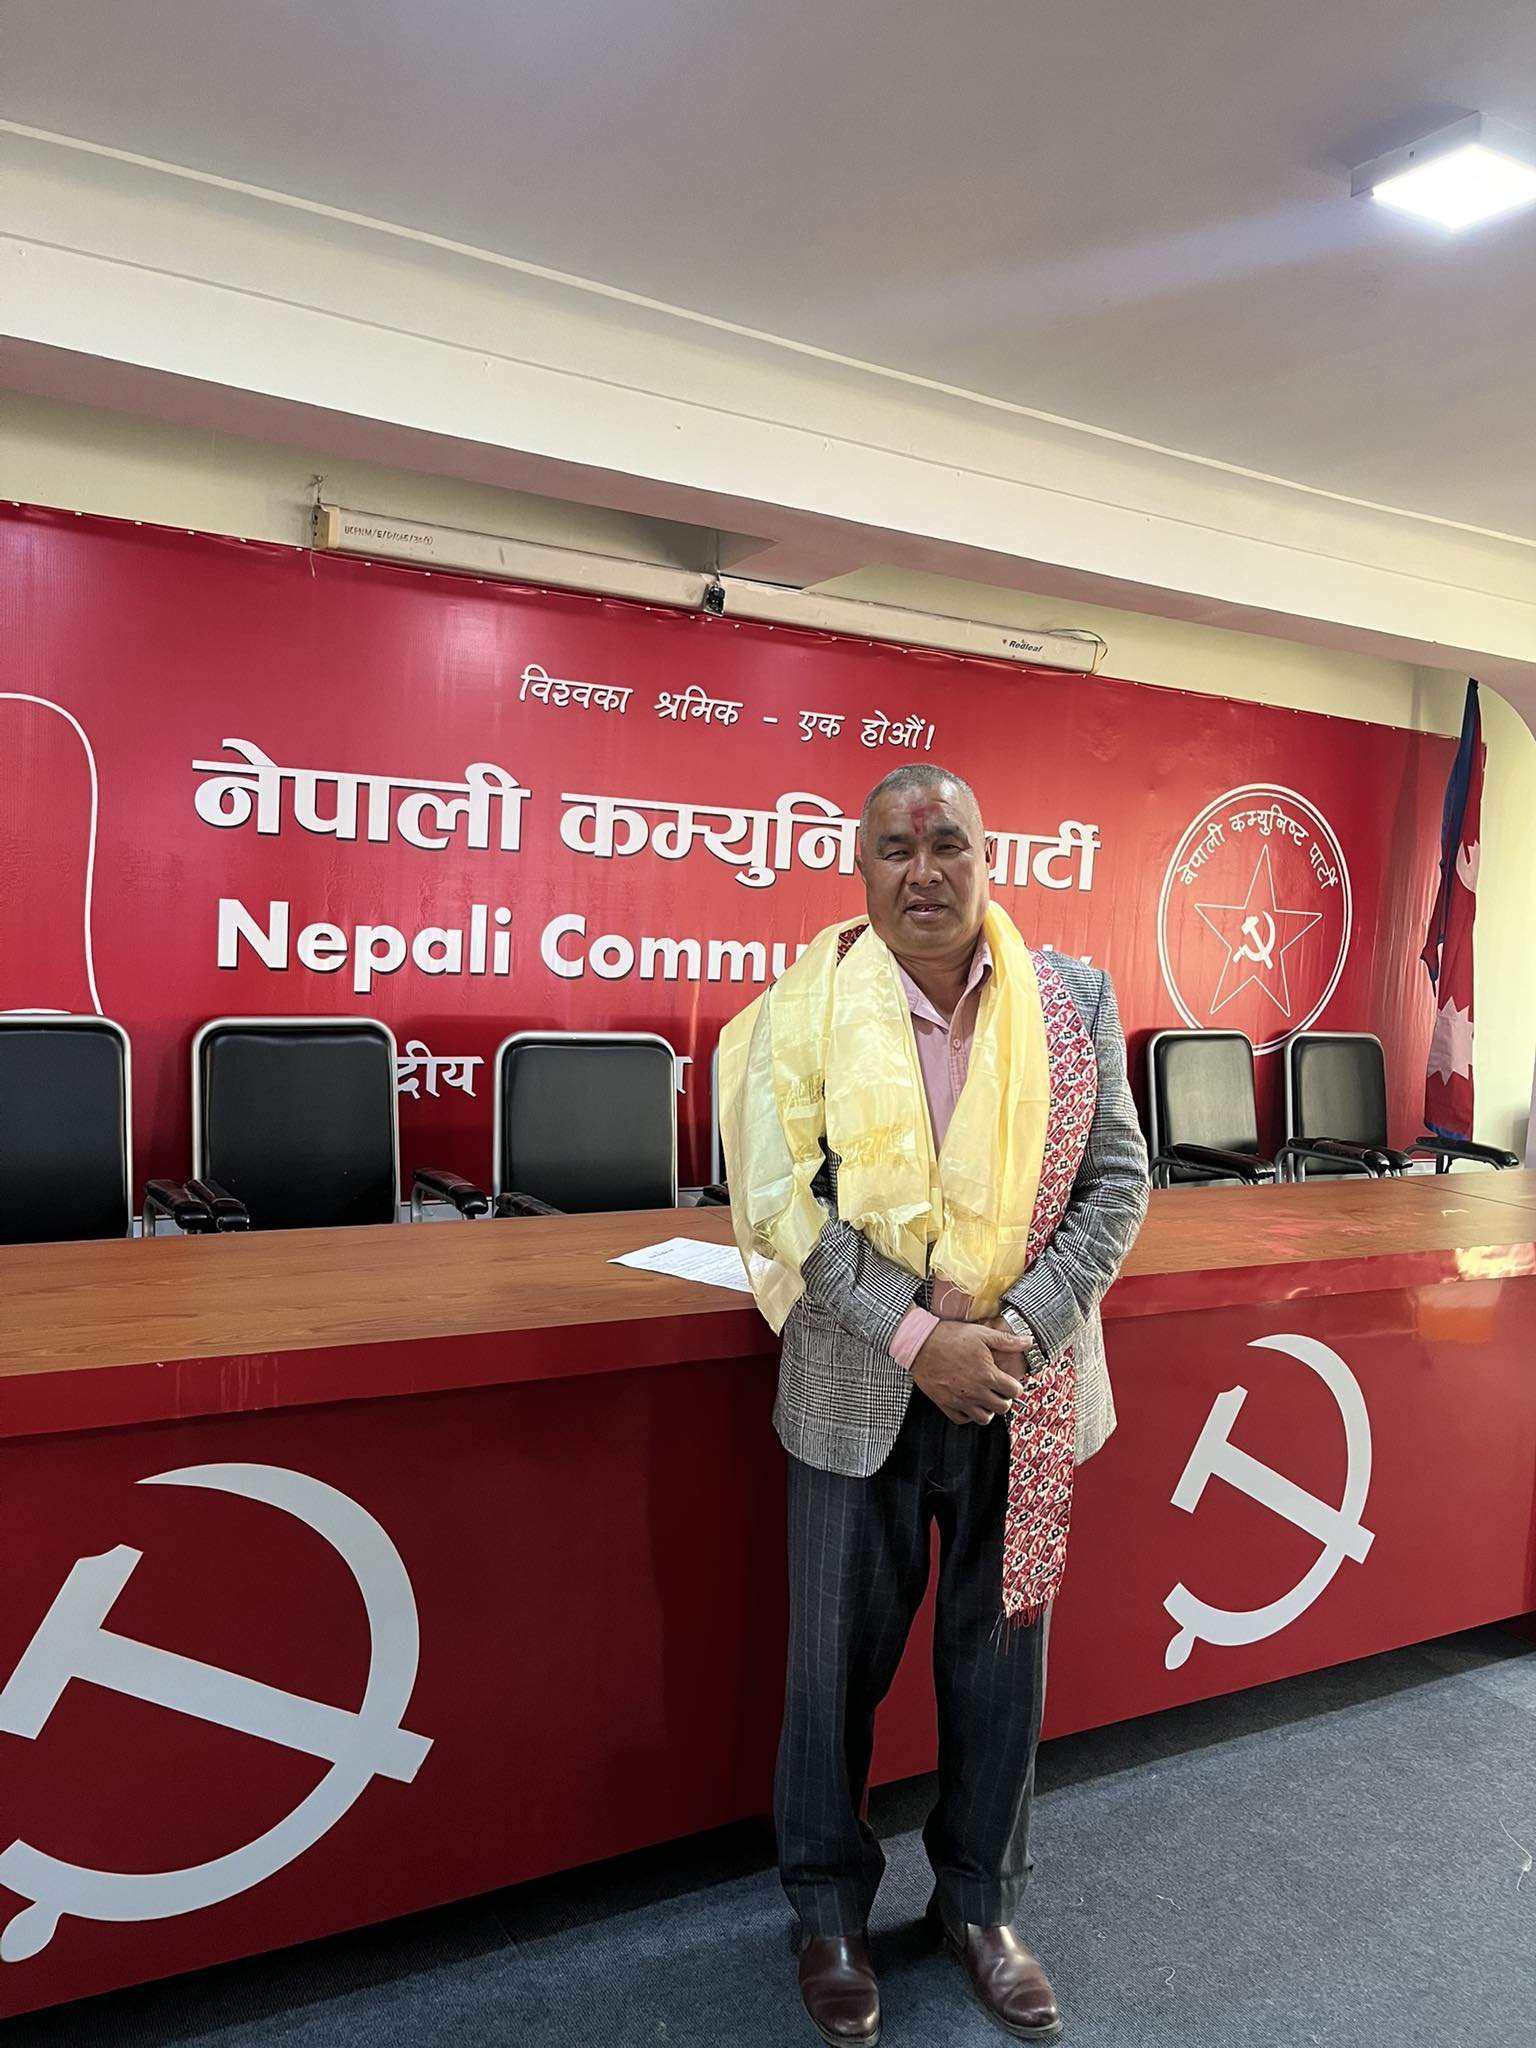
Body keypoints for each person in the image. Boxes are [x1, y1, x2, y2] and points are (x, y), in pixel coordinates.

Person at [719, 764, 1149, 2045]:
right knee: (830, 1671)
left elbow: (1118, 1182)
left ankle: (981, 1905)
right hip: (858, 1385)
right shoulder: (802, 1009)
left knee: (1001, 1662)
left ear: (985, 855)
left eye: (947, 843)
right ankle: (828, 1914)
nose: (925, 871)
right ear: (862, 867)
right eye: (897, 849)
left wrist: (1014, 1331)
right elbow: (792, 1205)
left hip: (1026, 1382)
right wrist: (920, 1338)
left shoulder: (1069, 1000)